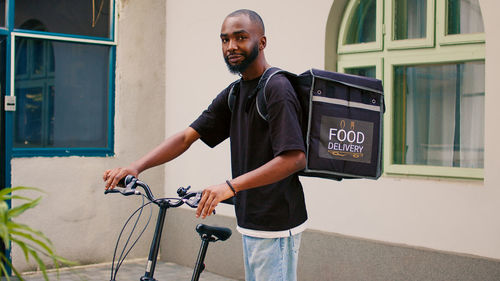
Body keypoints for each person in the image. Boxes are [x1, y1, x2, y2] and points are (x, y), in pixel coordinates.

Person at [103, 9, 308, 281]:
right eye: (225, 40)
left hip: (276, 223)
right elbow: (188, 136)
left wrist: (229, 187)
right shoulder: (236, 92)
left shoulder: (277, 87)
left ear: (261, 42)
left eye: (241, 37)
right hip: (251, 220)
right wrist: (136, 167)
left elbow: (294, 158)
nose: (231, 46)